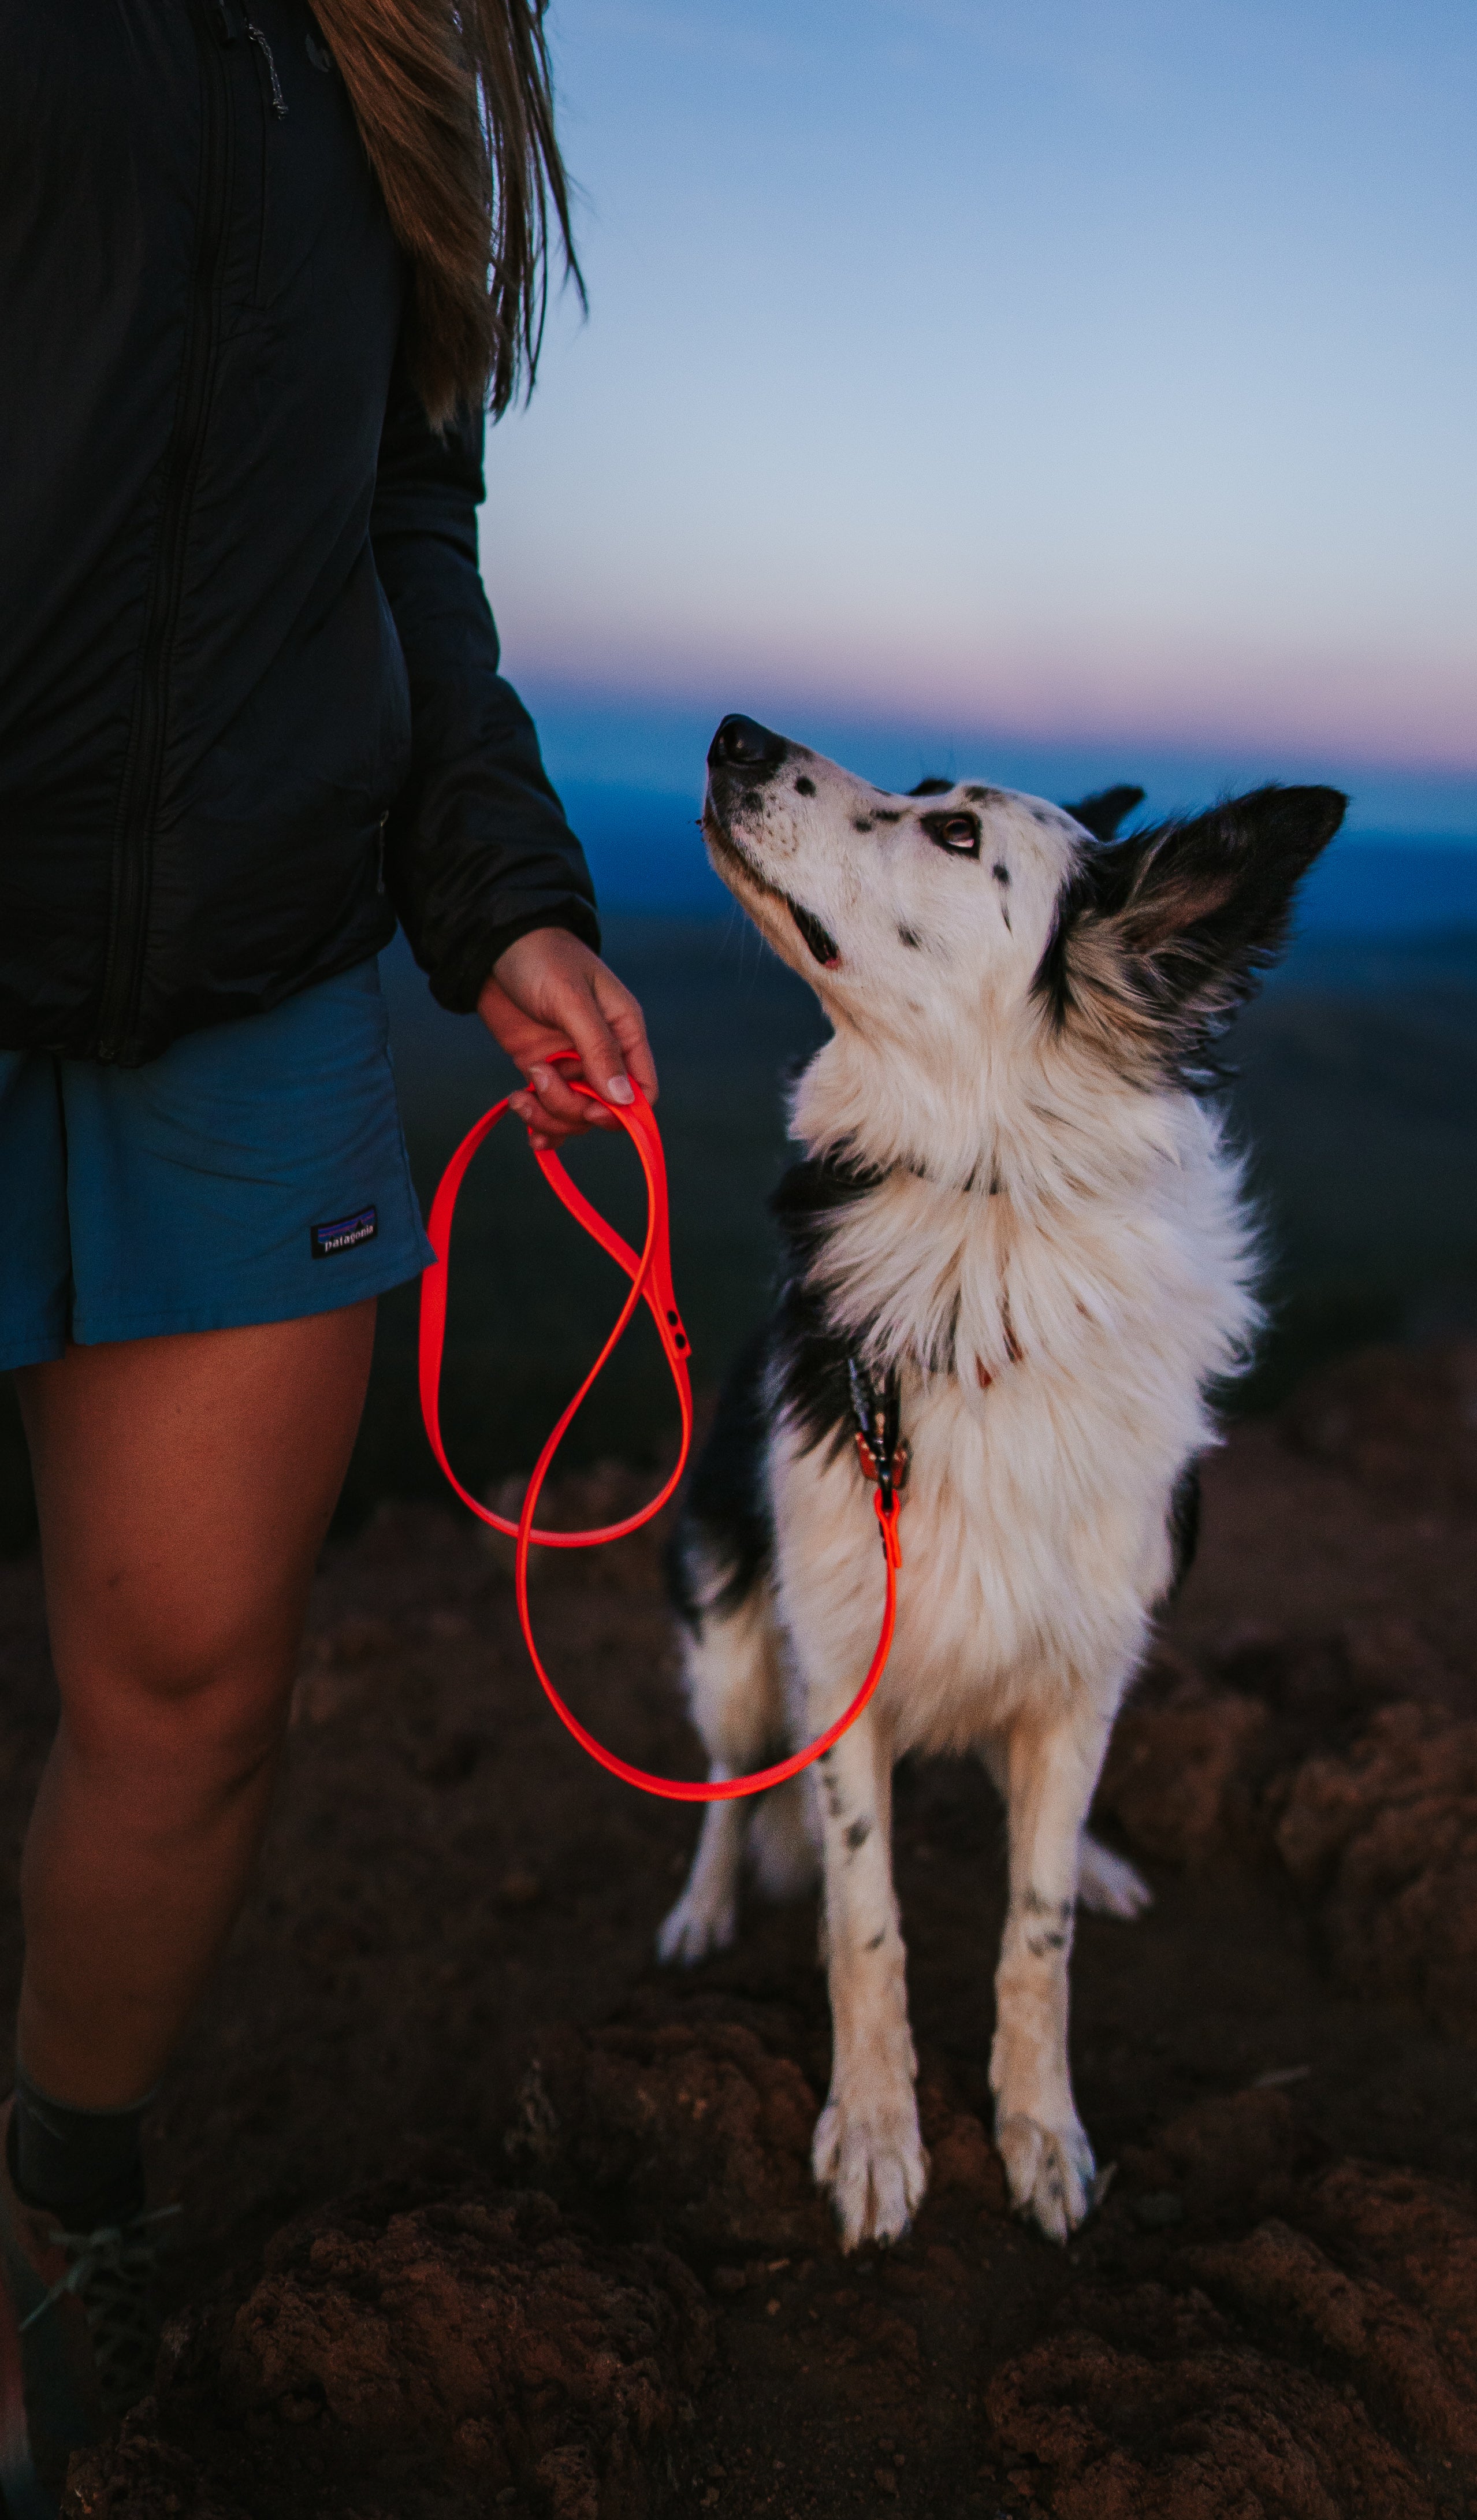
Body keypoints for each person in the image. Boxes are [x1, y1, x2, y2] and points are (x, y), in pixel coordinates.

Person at [0, 2, 651, 2499]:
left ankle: (62, 2198)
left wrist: (489, 890)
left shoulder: (408, 34)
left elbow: (404, 517)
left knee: (192, 1682)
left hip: (250, 968)